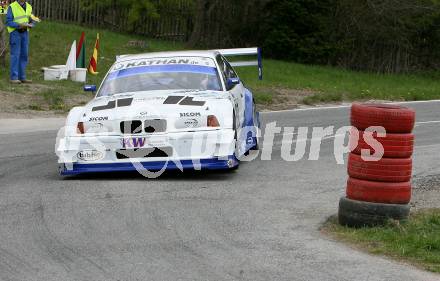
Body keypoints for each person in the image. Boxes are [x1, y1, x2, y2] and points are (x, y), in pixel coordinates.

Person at [6, 0, 34, 84]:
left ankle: (22, 77)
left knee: (24, 55)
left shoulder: (29, 6)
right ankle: (14, 77)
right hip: (15, 33)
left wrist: (32, 23)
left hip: (25, 33)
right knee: (15, 55)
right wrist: (19, 25)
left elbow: (32, 19)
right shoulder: (12, 6)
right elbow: (8, 22)